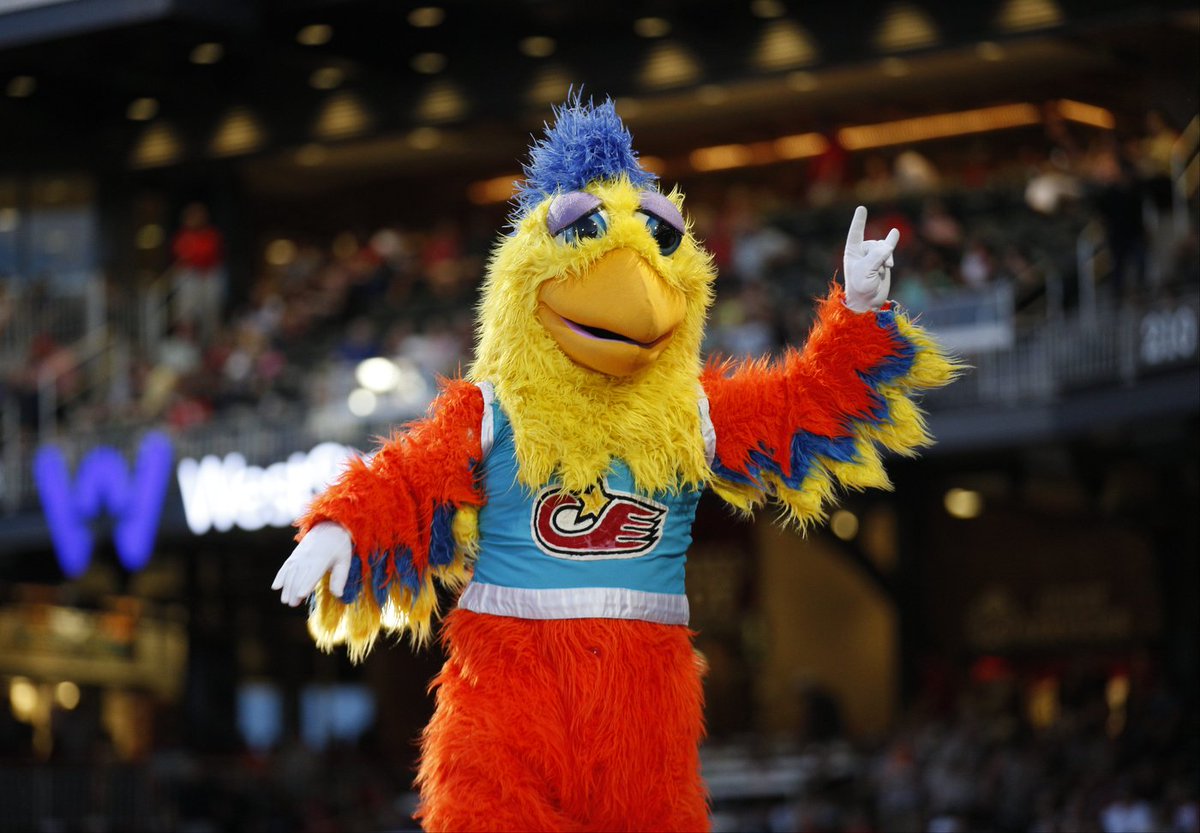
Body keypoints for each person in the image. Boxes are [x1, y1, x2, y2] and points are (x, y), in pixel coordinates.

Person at [171, 202, 226, 343]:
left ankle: (212, 343)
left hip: (208, 276)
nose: (193, 220)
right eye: (190, 217)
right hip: (190, 277)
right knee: (185, 312)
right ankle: (185, 341)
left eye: (196, 217)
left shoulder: (211, 235)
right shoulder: (183, 236)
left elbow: (209, 254)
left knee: (210, 313)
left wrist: (194, 256)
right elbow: (181, 256)